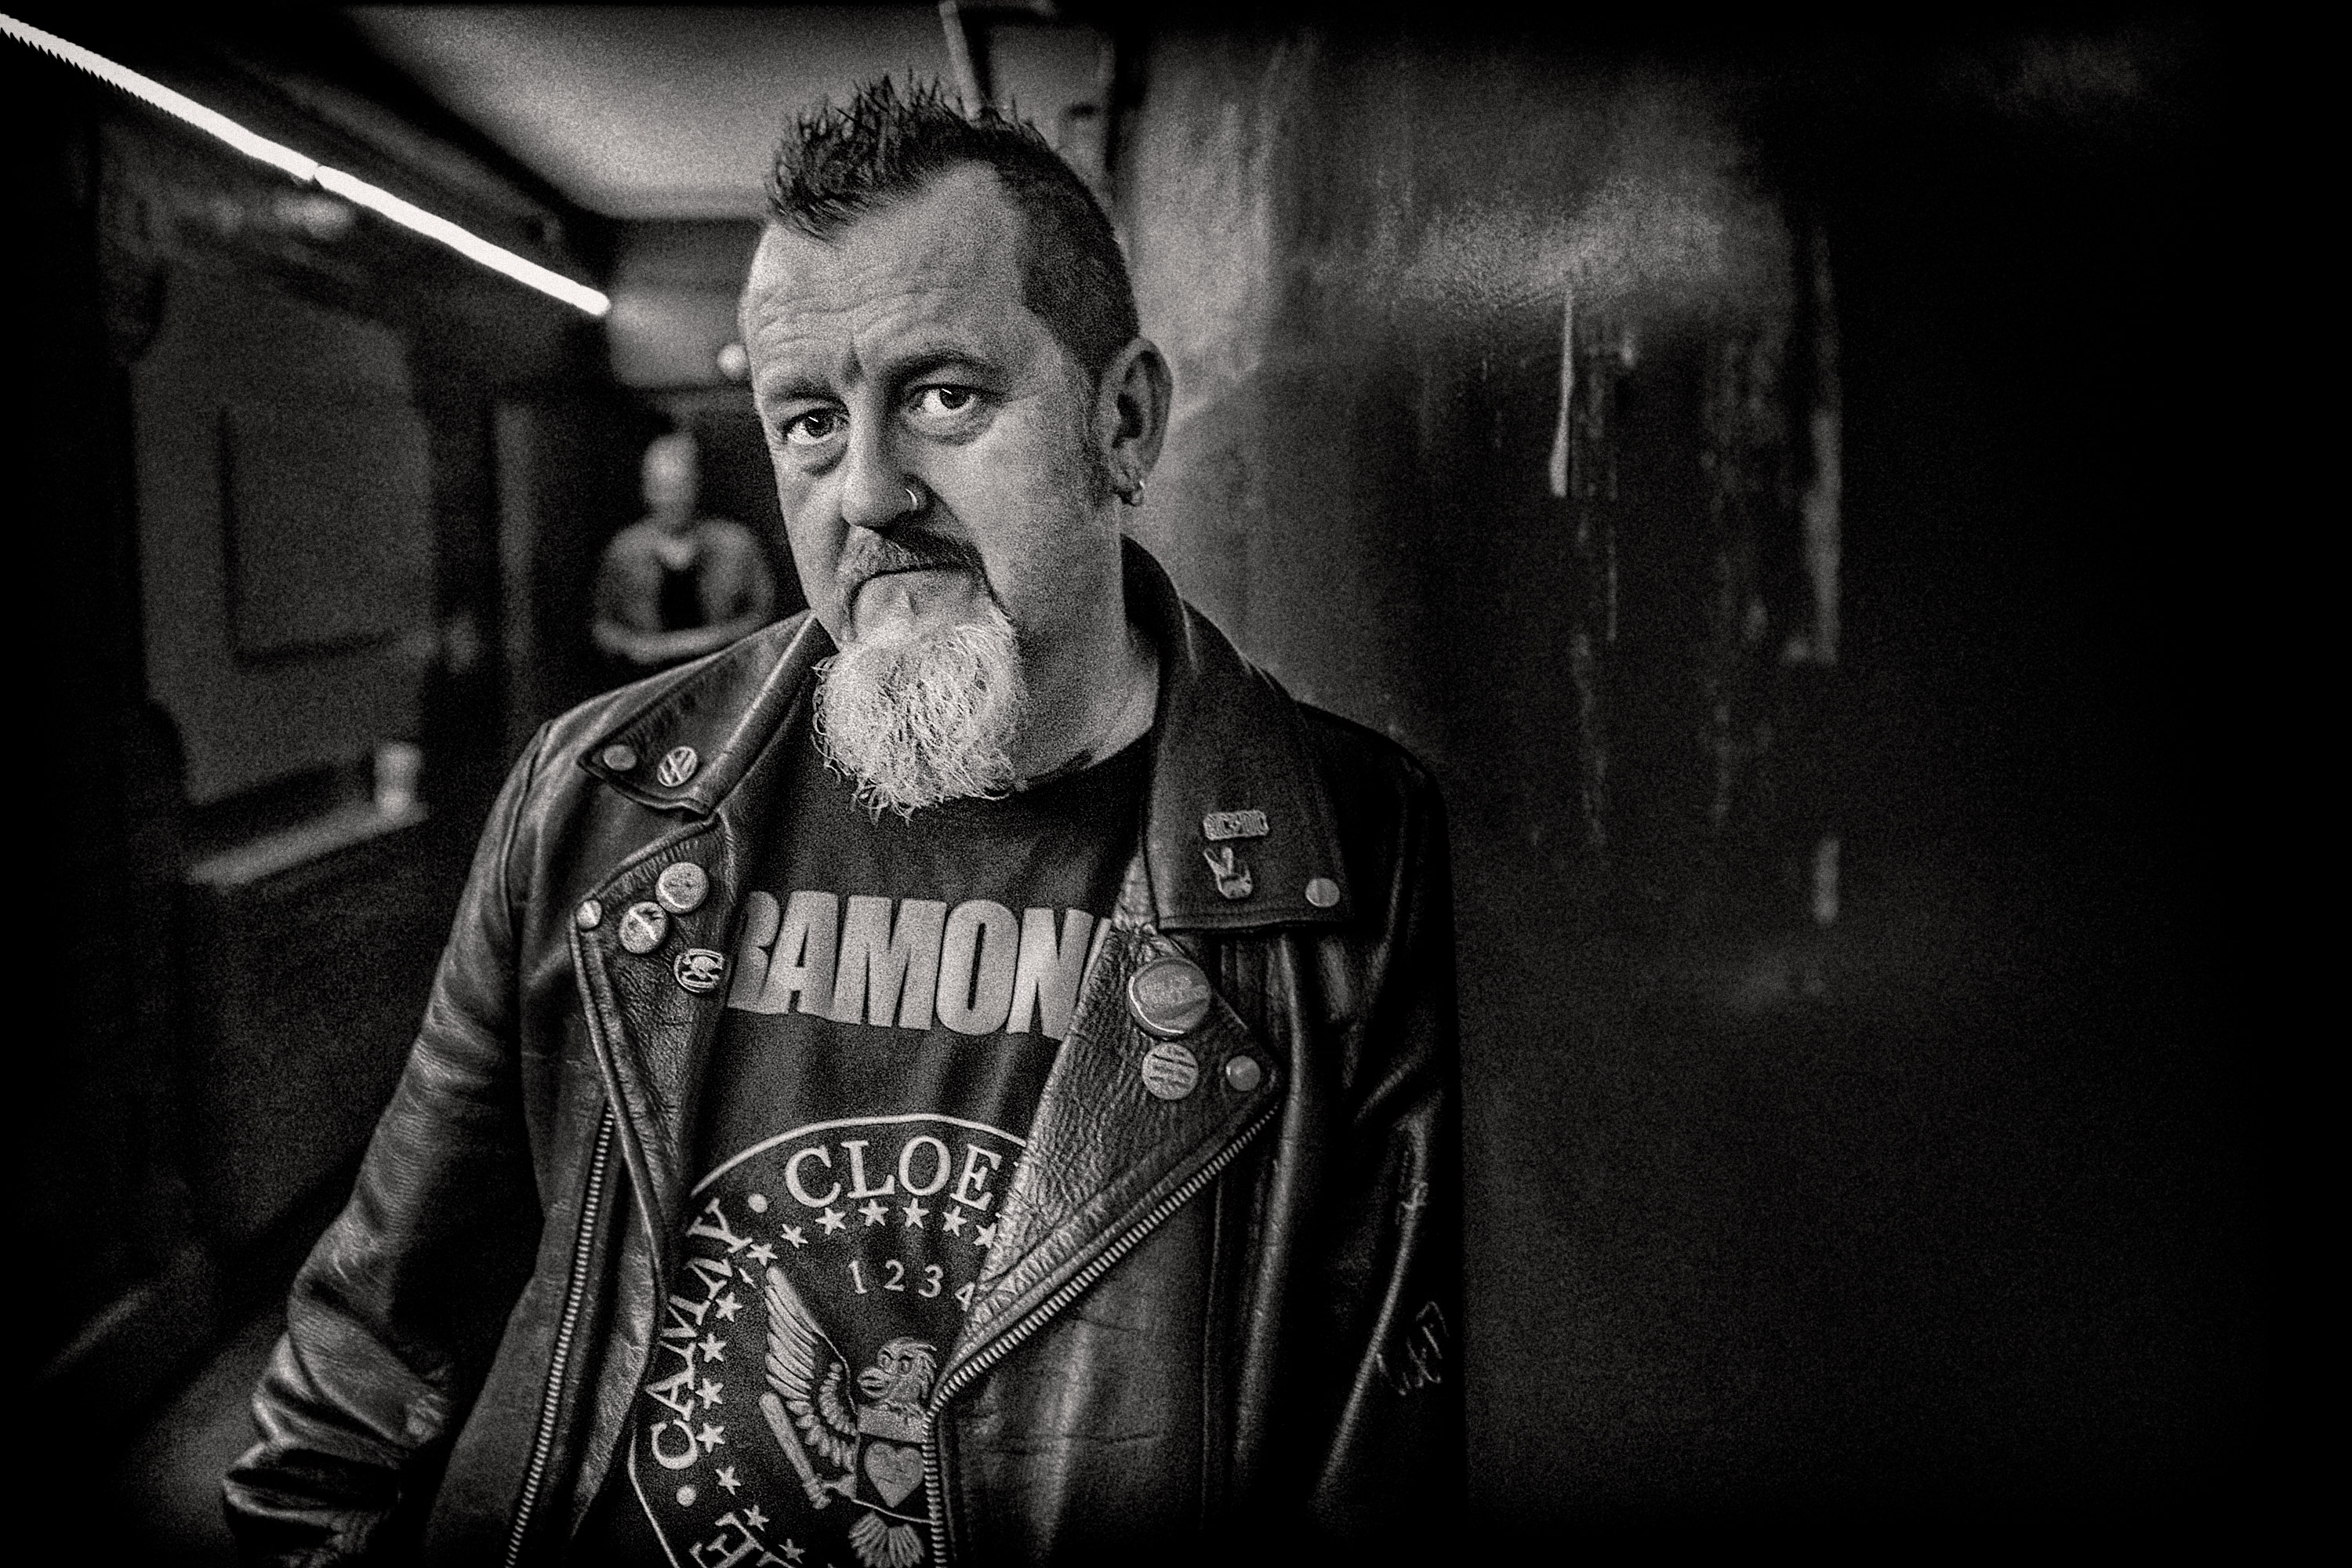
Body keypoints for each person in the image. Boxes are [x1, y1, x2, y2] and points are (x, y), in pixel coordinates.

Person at [226, 79, 1460, 1566]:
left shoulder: (1348, 857)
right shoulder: (602, 803)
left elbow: (1370, 1467)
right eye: (810, 422)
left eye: (946, 397)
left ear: (1121, 421)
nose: (869, 489)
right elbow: (370, 1355)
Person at [590, 431, 777, 675]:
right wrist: (637, 647)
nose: (671, 499)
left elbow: (767, 618)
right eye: (661, 488)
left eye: (680, 487)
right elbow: (602, 626)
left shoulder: (737, 543)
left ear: (696, 485)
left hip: (726, 680)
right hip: (651, 686)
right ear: (646, 489)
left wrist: (717, 640)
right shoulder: (624, 550)